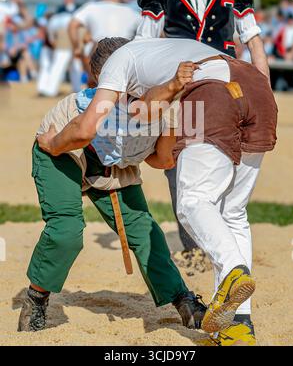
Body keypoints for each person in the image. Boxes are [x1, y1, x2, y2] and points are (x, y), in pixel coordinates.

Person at [36, 38, 278, 345]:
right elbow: (157, 149)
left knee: (192, 202)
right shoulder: (159, 58)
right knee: (232, 213)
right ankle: (239, 325)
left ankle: (232, 271)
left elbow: (90, 130)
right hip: (257, 90)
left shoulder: (120, 64)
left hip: (213, 94)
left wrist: (53, 142)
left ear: (99, 74)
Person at [18, 38, 207, 333]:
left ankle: (183, 299)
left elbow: (161, 160)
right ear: (101, 78)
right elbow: (77, 136)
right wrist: (53, 145)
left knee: (145, 230)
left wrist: (165, 138)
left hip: (114, 166)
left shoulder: (169, 107)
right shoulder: (97, 103)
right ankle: (36, 298)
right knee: (66, 230)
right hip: (64, 151)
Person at [136, 0, 270, 269]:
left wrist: (264, 89)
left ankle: (218, 240)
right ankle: (196, 247)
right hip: (185, 87)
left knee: (228, 160)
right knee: (181, 160)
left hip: (228, 84)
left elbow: (253, 42)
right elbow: (143, 44)